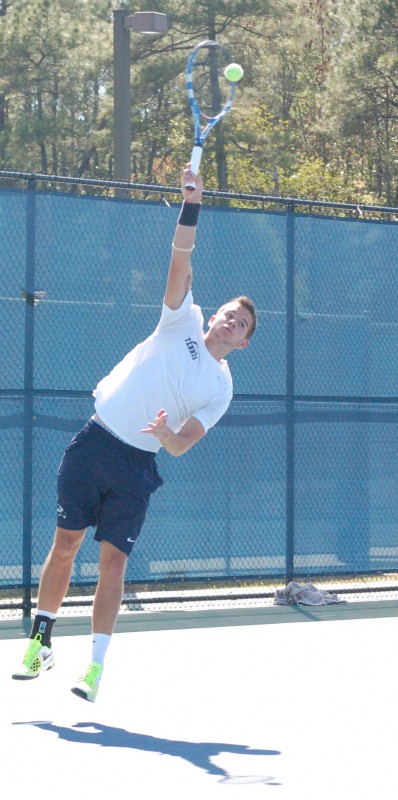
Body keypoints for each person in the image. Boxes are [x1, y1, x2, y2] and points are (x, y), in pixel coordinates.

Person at [12, 165, 257, 702]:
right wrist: (191, 205)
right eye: (226, 314)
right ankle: (41, 642)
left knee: (113, 563)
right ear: (210, 318)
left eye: (240, 323)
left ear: (242, 343)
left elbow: (184, 443)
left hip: (137, 465)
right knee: (65, 545)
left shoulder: (220, 386)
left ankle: (94, 667)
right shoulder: (180, 320)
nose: (229, 321)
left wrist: (167, 433)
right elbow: (180, 262)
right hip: (95, 442)